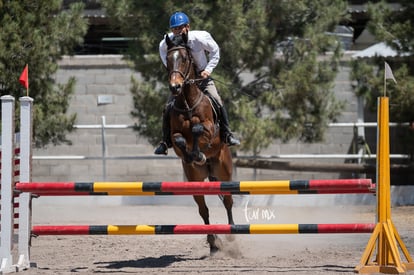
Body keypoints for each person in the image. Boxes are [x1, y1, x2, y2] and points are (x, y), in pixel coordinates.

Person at [154, 11, 240, 155]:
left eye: (179, 28)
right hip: (182, 81)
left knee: (217, 99)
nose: (176, 32)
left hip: (202, 78)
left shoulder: (200, 38)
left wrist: (208, 70)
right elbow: (165, 56)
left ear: (187, 26)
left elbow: (215, 51)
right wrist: (174, 74)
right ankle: (165, 141)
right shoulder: (165, 42)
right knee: (168, 106)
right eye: (174, 29)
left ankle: (227, 134)